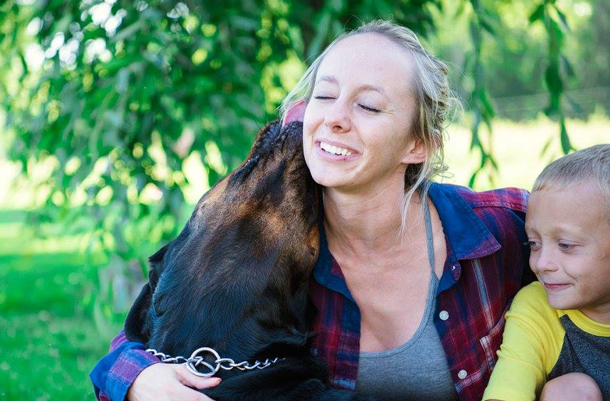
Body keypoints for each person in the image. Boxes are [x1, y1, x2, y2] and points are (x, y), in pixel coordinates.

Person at [90, 19, 532, 401]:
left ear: (418, 144)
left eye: (368, 105)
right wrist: (138, 379)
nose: (333, 118)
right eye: (324, 96)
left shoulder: (497, 232)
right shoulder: (273, 243)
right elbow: (146, 333)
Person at [482, 144, 610, 401]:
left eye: (566, 245)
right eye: (534, 243)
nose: (541, 263)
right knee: (570, 391)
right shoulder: (537, 307)